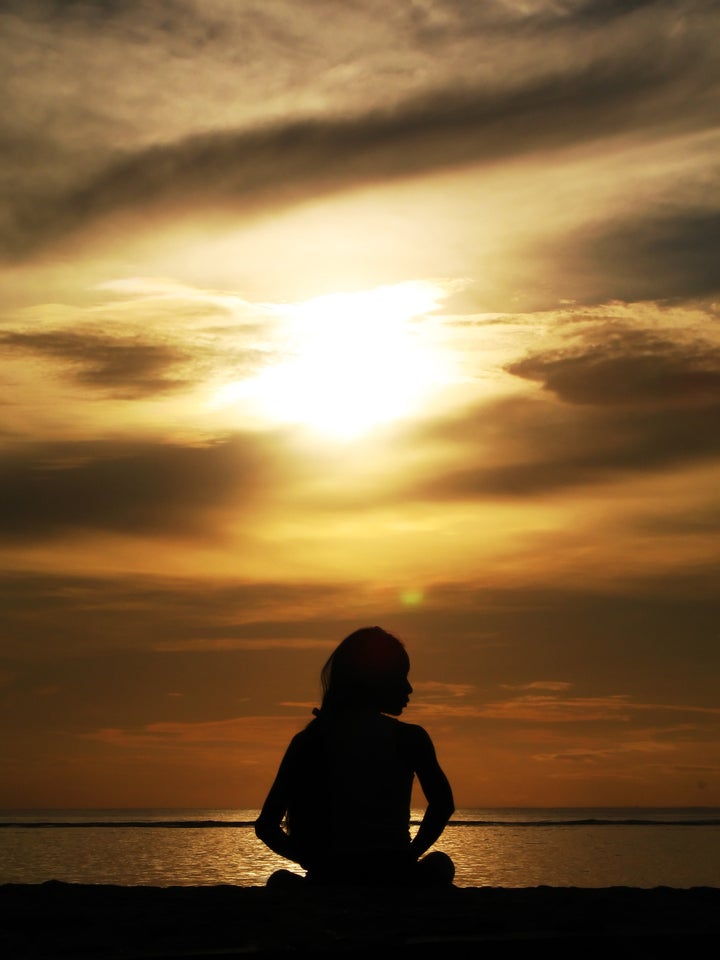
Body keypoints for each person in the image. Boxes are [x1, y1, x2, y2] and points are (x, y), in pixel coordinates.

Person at [255, 626, 455, 888]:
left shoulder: (309, 740)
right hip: (393, 874)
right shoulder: (409, 738)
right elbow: (443, 805)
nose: (409, 688)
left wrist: (312, 861)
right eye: (400, 677)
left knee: (280, 881)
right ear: (375, 679)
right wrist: (409, 855)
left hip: (331, 878)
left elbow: (266, 826)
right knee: (439, 863)